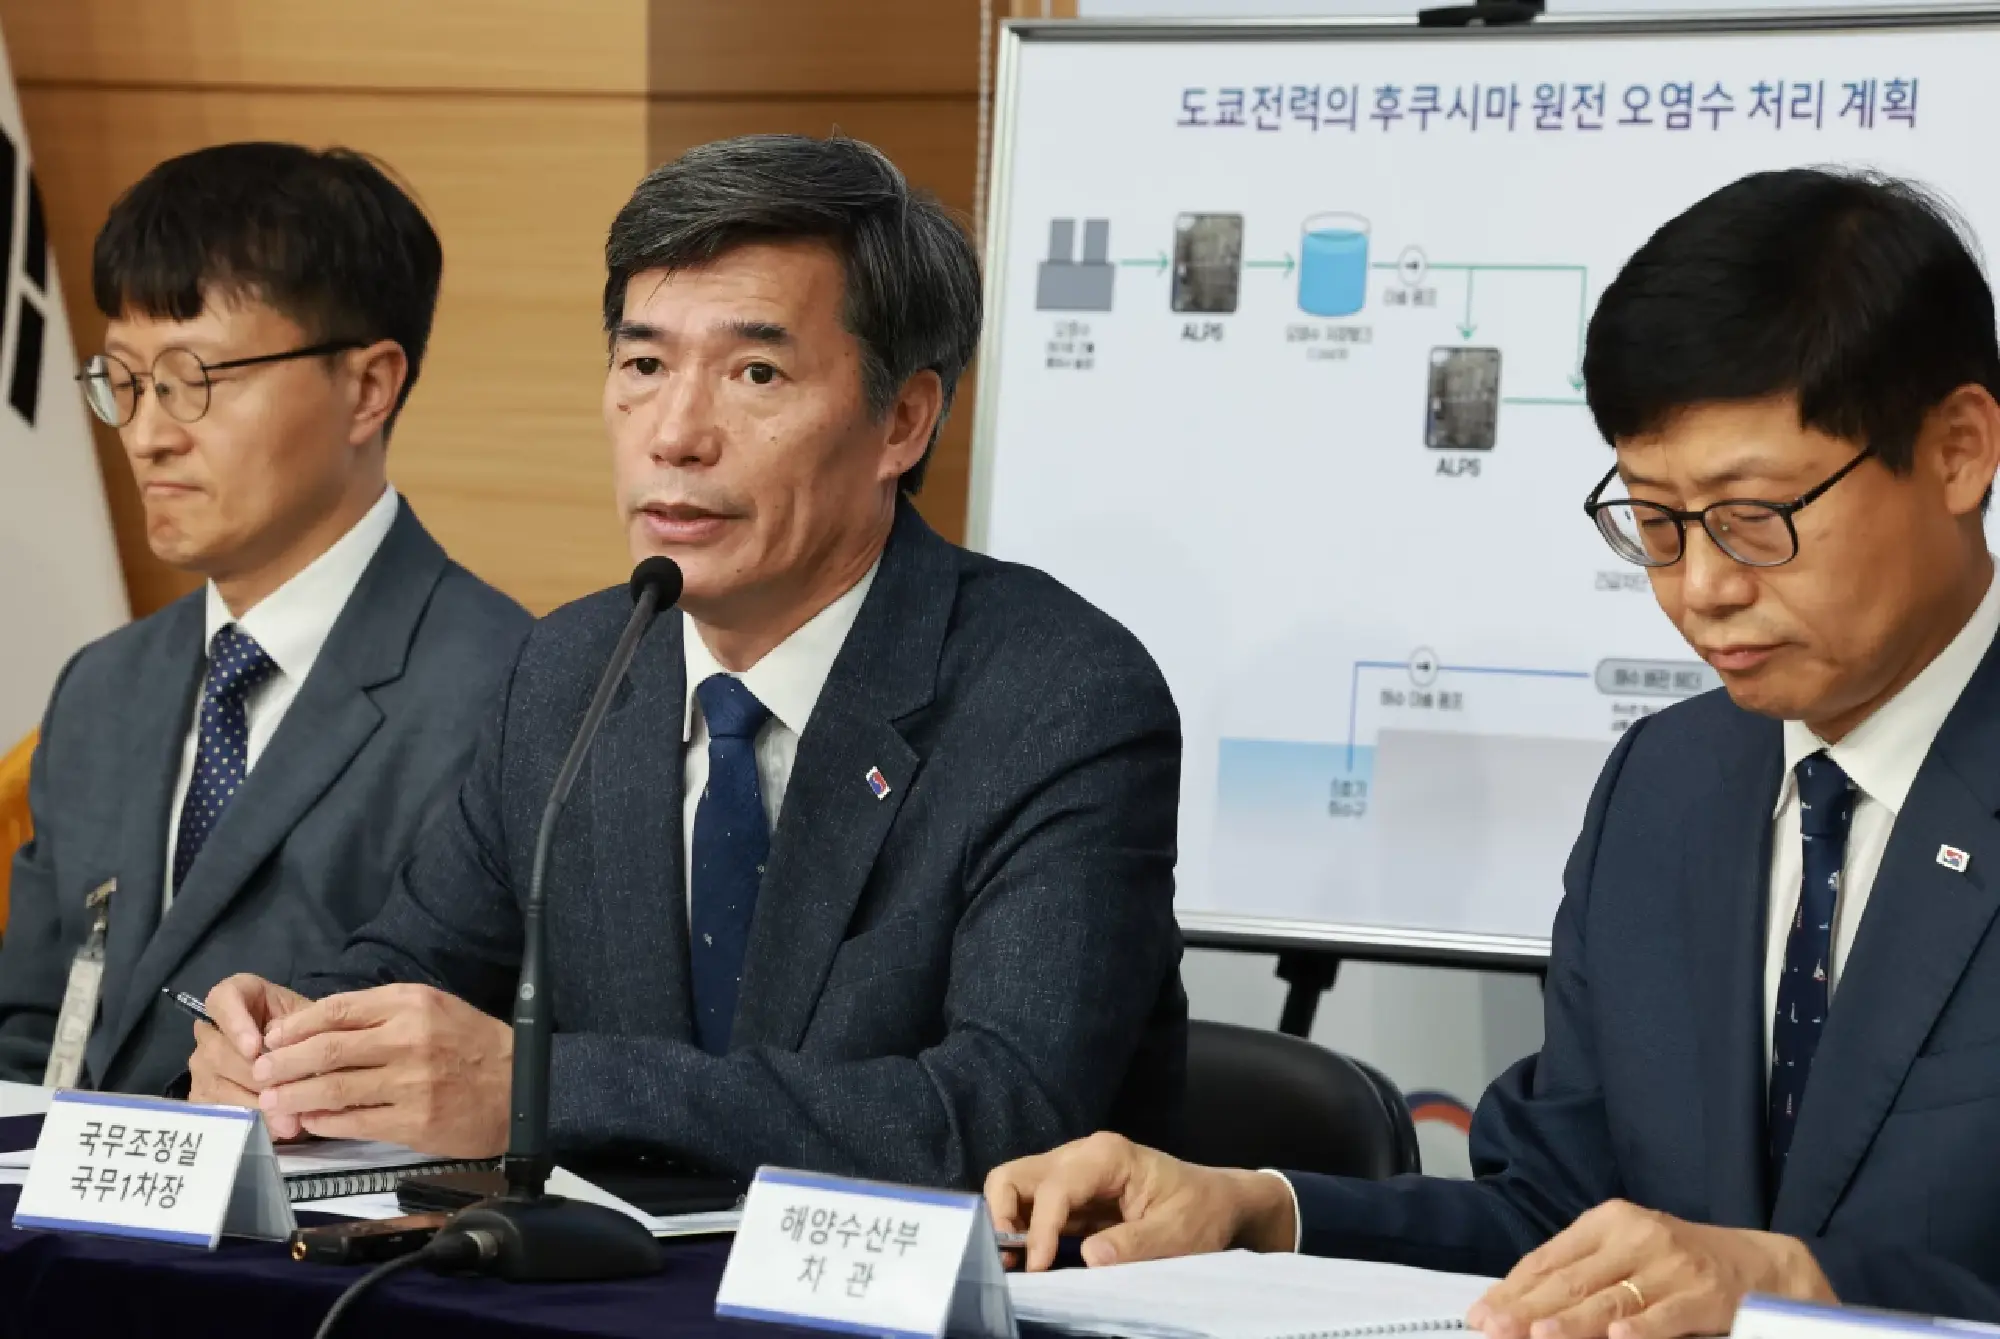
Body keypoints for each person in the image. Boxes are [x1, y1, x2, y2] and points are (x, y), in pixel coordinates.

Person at [985, 167, 2000, 1332]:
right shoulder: (1667, 784)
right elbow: (1551, 1213)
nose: (1703, 589)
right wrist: (1251, 1208)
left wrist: (1801, 1294)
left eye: (1753, 518)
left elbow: (1783, 1266)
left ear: (1956, 451)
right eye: (1657, 525)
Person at [188, 133, 1187, 1188]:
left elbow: (1003, 1114)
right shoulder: (574, 668)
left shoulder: (1058, 698)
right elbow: (409, 962)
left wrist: (539, 1088)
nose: (673, 434)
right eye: (644, 364)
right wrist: (293, 1039)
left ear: (902, 419)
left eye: (755, 372)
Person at [0, 143, 531, 1097]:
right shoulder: (103, 686)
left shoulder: (510, 692)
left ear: (367, 387)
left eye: (194, 379)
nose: (150, 432)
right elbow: (36, 1033)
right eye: (123, 380)